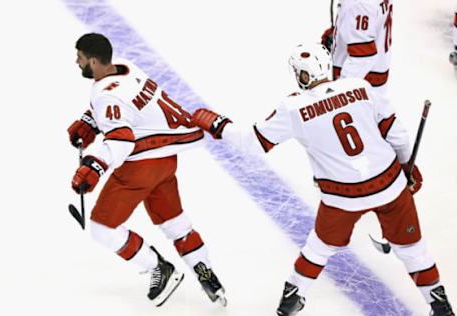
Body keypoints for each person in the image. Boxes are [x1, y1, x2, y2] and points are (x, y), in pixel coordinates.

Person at [191, 43, 454, 316]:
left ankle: (291, 300)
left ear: (303, 74)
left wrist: (217, 123)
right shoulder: (361, 87)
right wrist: (407, 164)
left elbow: (252, 143)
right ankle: (441, 306)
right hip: (389, 183)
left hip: (343, 196)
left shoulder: (293, 106)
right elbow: (396, 134)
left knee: (319, 247)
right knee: (413, 250)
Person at [67, 33, 226, 307]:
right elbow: (127, 107)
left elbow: (121, 140)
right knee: (174, 222)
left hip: (140, 166)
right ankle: (207, 274)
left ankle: (158, 267)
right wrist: (90, 121)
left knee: (102, 228)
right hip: (166, 161)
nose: (76, 62)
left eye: (80, 58)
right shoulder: (126, 68)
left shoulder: (106, 96)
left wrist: (93, 167)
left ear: (93, 61)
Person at [321, 0, 393, 94]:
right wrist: (342, 31)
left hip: (360, 93)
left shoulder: (358, 5)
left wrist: (336, 93)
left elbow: (362, 58)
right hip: (374, 83)